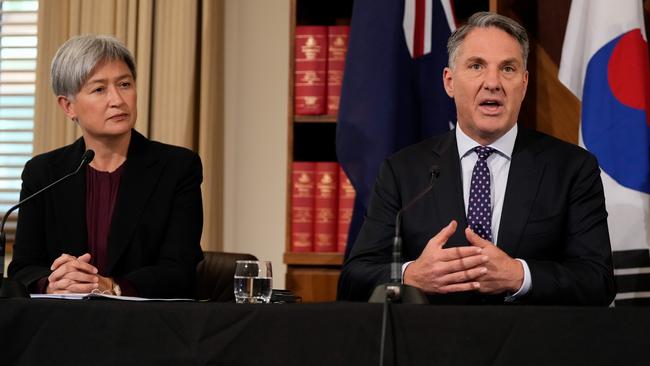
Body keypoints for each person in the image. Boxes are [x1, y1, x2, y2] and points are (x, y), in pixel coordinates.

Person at [338, 12, 616, 305]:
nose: (492, 82)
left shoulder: (571, 168)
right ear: (449, 81)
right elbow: (354, 278)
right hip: (432, 345)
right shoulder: (403, 171)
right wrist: (411, 276)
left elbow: (598, 281)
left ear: (523, 83)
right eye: (476, 66)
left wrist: (519, 275)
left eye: (507, 68)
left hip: (531, 345)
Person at [8, 35, 204, 298]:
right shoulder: (44, 172)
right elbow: (23, 267)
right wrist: (52, 283)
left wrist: (111, 286)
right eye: (99, 89)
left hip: (148, 326)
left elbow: (180, 269)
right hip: (62, 325)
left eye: (125, 84)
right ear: (68, 106)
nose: (117, 99)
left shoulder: (178, 167)